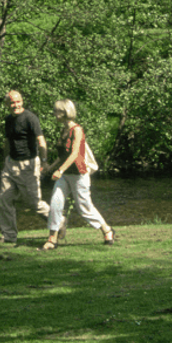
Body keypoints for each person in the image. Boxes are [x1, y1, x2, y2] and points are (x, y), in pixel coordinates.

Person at [41, 98, 115, 249]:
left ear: (65, 112)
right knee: (56, 203)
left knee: (84, 207)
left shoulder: (77, 130)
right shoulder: (64, 130)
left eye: (57, 111)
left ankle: (107, 229)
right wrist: (50, 168)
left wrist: (60, 170)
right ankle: (52, 239)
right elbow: (63, 156)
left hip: (79, 174)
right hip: (65, 175)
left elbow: (74, 154)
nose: (55, 114)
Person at [0, 89, 48, 246]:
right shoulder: (8, 120)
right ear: (7, 104)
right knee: (5, 199)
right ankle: (9, 235)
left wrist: (44, 161)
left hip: (28, 164)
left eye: (18, 101)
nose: (15, 105)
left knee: (34, 203)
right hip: (11, 163)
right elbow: (7, 141)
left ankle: (58, 222)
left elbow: (41, 141)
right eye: (12, 102)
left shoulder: (30, 118)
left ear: (22, 102)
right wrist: (5, 160)